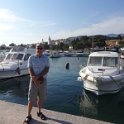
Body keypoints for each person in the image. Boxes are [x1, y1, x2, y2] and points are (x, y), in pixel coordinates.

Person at [23, 43, 49, 124]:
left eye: (41, 48)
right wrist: (34, 77)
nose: (39, 49)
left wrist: (38, 76)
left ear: (43, 49)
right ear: (36, 49)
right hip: (33, 80)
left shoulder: (46, 58)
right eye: (38, 48)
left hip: (42, 80)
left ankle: (39, 112)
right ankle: (28, 115)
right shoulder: (31, 57)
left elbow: (46, 69)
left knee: (40, 98)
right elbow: (30, 68)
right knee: (31, 99)